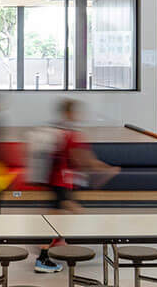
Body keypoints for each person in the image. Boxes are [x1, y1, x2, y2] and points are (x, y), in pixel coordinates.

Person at [31, 99, 119, 273]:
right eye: (76, 112)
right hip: (61, 182)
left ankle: (54, 244)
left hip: (57, 182)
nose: (79, 116)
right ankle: (43, 257)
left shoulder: (59, 131)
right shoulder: (70, 134)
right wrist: (107, 168)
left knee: (61, 216)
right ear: (69, 113)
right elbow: (83, 159)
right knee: (65, 215)